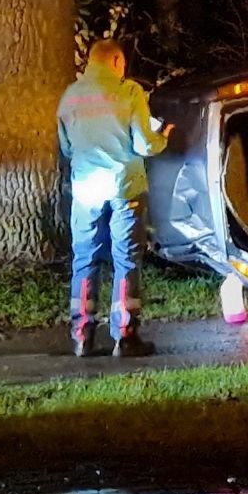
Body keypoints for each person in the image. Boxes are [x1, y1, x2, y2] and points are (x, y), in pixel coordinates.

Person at [57, 39, 173, 357]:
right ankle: (125, 336)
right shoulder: (130, 92)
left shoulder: (70, 96)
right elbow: (144, 145)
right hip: (124, 188)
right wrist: (162, 137)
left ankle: (82, 336)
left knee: (85, 260)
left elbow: (66, 148)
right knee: (125, 259)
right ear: (117, 61)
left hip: (86, 191)